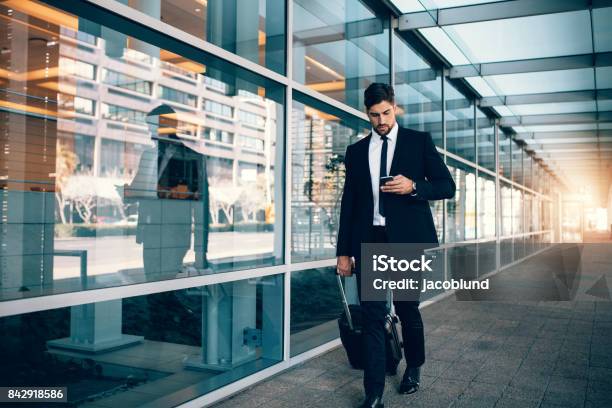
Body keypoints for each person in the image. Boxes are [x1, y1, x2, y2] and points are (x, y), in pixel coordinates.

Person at [336, 83, 455, 408]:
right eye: (374, 115)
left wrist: (414, 186)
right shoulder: (357, 152)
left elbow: (448, 186)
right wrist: (343, 252)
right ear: (367, 113)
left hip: (404, 241)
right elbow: (350, 204)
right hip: (369, 240)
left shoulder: (418, 143)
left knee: (406, 308)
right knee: (373, 316)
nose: (380, 120)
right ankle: (374, 393)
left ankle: (414, 365)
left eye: (386, 113)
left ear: (395, 107)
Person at [126, 104, 210, 280]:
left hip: (175, 237)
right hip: (150, 234)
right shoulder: (147, 156)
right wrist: (127, 192)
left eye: (153, 126)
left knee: (165, 287)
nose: (150, 132)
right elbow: (138, 189)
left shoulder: (192, 158)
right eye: (148, 126)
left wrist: (200, 251)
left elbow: (201, 207)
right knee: (152, 286)